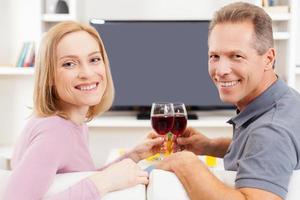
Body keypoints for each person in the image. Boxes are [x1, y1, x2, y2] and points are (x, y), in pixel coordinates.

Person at [4, 21, 163, 200]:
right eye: (69, 64)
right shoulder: (55, 133)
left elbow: (77, 181)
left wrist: (134, 156)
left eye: (94, 59)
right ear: (49, 76)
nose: (87, 73)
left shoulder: (70, 123)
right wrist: (104, 182)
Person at [157, 2, 300, 200]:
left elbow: (266, 143)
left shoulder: (270, 131)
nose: (221, 70)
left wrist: (185, 163)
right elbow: (259, 152)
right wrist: (210, 146)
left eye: (237, 56)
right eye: (214, 56)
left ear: (269, 59)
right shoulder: (281, 101)